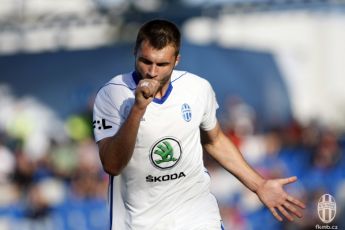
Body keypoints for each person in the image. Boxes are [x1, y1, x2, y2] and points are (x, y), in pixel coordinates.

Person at [93, 19, 305, 230]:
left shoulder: (197, 88)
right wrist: (137, 110)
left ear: (177, 60)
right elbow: (112, 165)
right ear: (135, 52)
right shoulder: (112, 95)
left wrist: (259, 185)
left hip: (196, 216)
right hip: (138, 221)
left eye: (162, 64)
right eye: (146, 61)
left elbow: (215, 141)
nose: (152, 72)